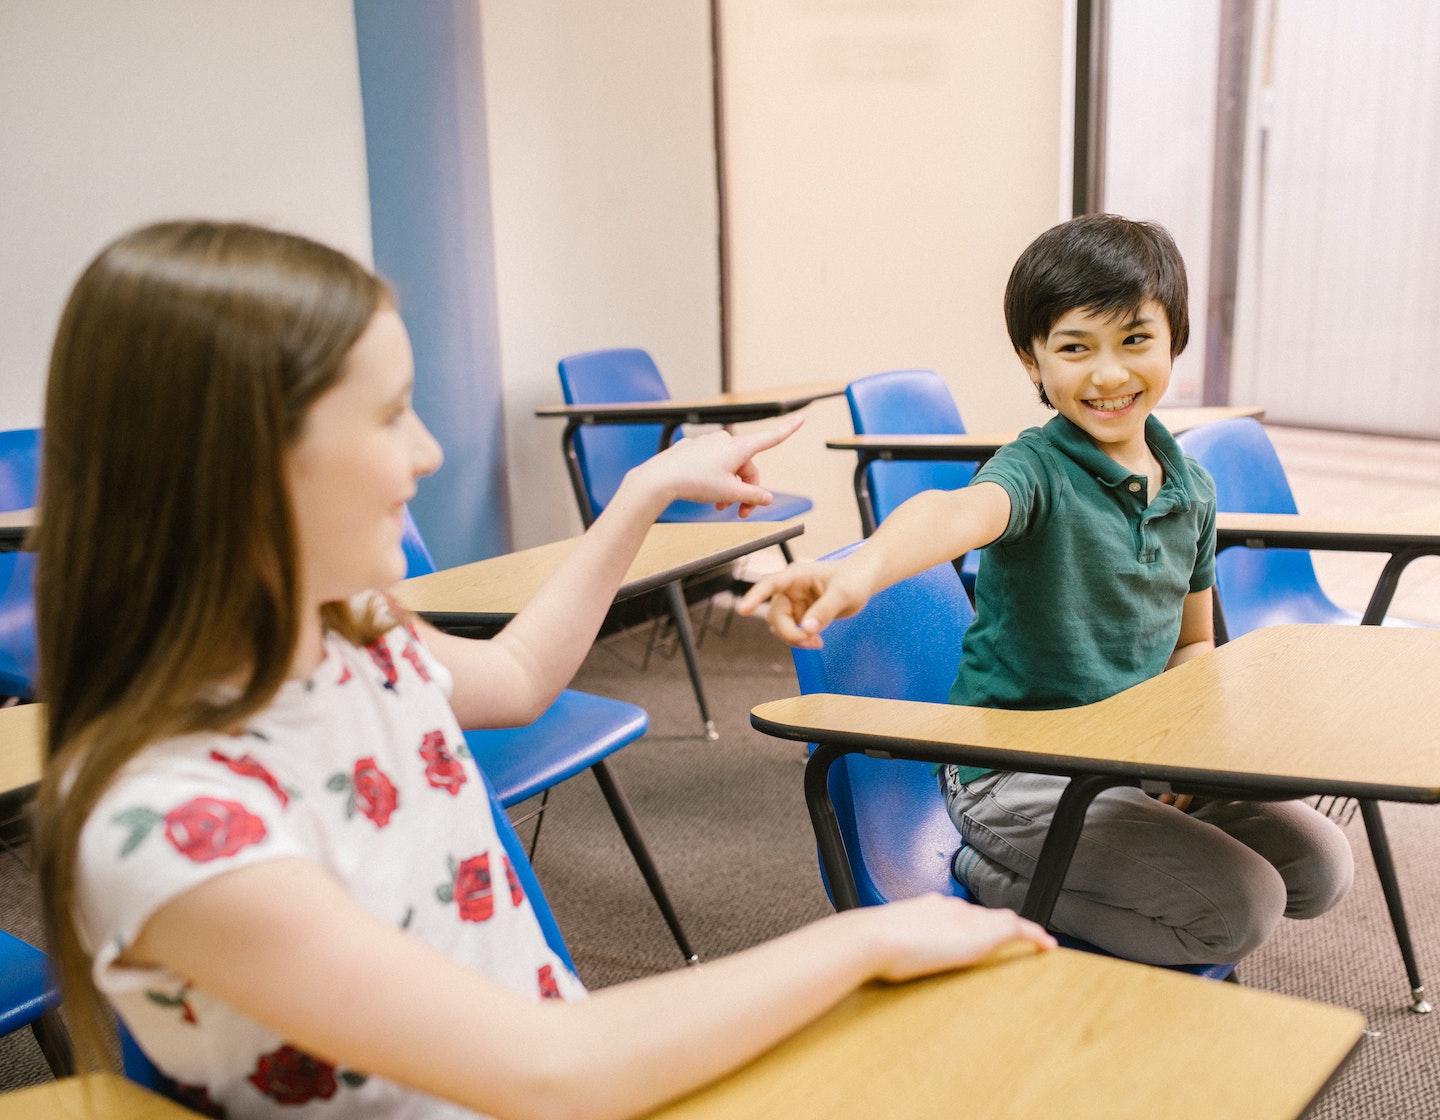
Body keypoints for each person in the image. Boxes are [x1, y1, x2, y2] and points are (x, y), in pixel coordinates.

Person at [32, 220, 1053, 1120]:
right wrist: (868, 942)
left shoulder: (350, 637)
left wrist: (646, 489)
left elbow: (518, 674)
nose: (430, 453)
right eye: (389, 416)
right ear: (242, 464)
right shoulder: (172, 824)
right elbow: (548, 1073)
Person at [739, 213, 1353, 968]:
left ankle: (1115, 849)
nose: (1108, 374)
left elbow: (1194, 644)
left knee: (1321, 867)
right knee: (1241, 909)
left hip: (1128, 757)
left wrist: (1190, 759)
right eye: (1074, 348)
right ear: (1034, 362)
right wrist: (858, 569)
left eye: (1134, 339)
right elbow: (955, 512)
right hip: (1015, 774)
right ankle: (995, 877)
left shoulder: (1191, 489)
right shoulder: (1035, 471)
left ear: (1174, 342)